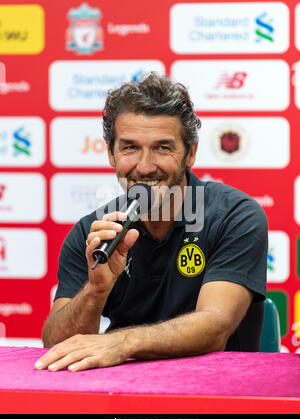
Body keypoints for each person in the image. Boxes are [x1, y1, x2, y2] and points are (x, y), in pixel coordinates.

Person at [35, 72, 268, 372]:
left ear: (190, 153)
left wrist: (122, 342)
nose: (144, 167)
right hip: (122, 398)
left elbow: (215, 326)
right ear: (111, 154)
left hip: (221, 392)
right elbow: (56, 345)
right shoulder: (93, 231)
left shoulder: (236, 215)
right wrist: (95, 292)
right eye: (130, 147)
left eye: (162, 147)